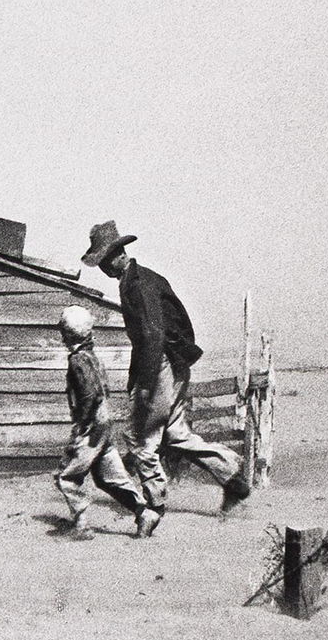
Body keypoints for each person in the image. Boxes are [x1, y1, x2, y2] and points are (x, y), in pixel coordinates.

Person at [81, 221, 253, 535]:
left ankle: (153, 507)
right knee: (175, 435)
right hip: (170, 362)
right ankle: (232, 477)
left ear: (119, 254)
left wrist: (146, 386)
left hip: (161, 363)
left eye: (105, 260)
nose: (103, 267)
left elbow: (152, 335)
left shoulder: (139, 284)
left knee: (141, 440)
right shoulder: (136, 280)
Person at [53, 305, 149, 537]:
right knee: (110, 477)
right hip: (105, 423)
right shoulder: (93, 357)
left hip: (92, 424)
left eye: (63, 331)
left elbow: (89, 394)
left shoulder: (77, 360)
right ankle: (145, 513)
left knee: (67, 476)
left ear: (68, 334)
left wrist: (82, 426)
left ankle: (81, 524)